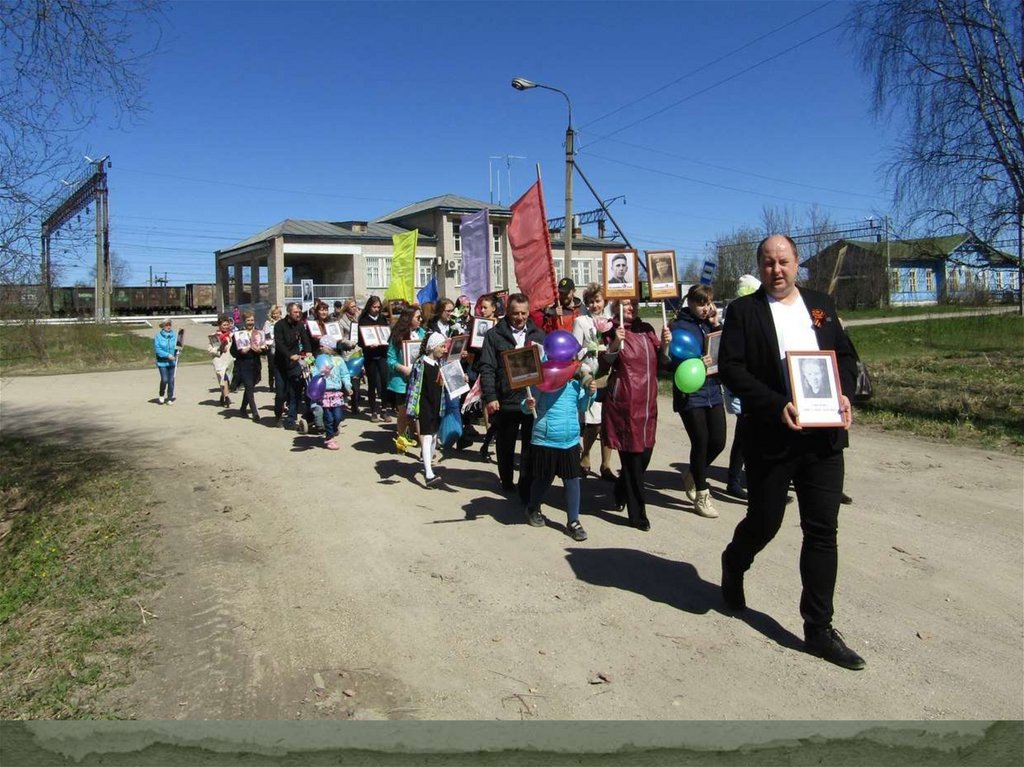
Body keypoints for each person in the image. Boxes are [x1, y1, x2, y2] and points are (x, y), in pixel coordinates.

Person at [718, 234, 863, 671]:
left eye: (783, 261)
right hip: (772, 436)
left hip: (823, 438)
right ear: (759, 266)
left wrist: (844, 393)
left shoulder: (820, 304)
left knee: (822, 531)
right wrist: (775, 404)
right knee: (765, 522)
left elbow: (846, 357)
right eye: (768, 263)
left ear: (797, 263)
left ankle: (819, 629)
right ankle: (734, 561)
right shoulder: (744, 311)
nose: (776, 270)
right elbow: (732, 369)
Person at [601, 297, 671, 531]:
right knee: (632, 459)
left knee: (644, 455)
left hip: (648, 402)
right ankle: (638, 514)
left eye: (633, 303)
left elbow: (662, 362)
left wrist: (665, 344)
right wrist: (615, 343)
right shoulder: (612, 330)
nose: (630, 307)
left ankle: (622, 488)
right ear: (615, 307)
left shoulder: (646, 329)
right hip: (625, 403)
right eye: (625, 303)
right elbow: (604, 364)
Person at [478, 293, 546, 505]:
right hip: (506, 398)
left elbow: (546, 365)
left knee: (530, 445)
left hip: (531, 398)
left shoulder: (538, 334)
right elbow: (487, 367)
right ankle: (506, 480)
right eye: (515, 313)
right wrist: (491, 396)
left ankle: (525, 483)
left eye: (524, 313)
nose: (520, 317)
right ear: (507, 312)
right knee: (505, 444)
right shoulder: (494, 335)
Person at [665, 285, 725, 519]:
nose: (706, 308)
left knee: (718, 441)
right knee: (701, 441)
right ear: (689, 302)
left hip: (713, 387)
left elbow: (724, 349)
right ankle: (701, 494)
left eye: (709, 302)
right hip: (690, 390)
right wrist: (697, 360)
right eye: (701, 303)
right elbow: (670, 361)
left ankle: (693, 472)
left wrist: (717, 324)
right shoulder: (678, 326)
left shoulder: (710, 323)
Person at [522, 371, 597, 539]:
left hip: (569, 440)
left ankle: (573, 521)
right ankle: (532, 508)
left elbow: (583, 407)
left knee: (572, 480)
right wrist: (528, 404)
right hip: (546, 439)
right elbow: (527, 405)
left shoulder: (575, 381)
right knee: (543, 479)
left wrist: (590, 394)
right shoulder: (543, 375)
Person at [572, 283, 616, 480]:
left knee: (608, 423)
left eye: (597, 301)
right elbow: (574, 352)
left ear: (604, 301)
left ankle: (606, 465)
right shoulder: (581, 321)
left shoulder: (612, 322)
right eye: (590, 302)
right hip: (590, 375)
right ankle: (586, 455)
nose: (594, 305)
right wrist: (588, 349)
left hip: (609, 375)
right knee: (594, 423)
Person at [387, 305, 426, 452]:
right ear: (409, 318)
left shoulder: (423, 333)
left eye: (421, 317)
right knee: (403, 413)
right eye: (418, 317)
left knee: (418, 412)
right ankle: (402, 441)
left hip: (418, 379)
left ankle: (423, 445)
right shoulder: (397, 335)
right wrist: (403, 368)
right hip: (402, 381)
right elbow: (390, 360)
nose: (421, 319)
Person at [273, 302, 314, 431]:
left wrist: (308, 352)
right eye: (296, 312)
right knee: (281, 393)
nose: (298, 314)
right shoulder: (279, 325)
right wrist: (289, 355)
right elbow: (279, 344)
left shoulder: (300, 325)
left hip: (295, 364)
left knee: (295, 392)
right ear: (289, 312)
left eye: (299, 312)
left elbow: (305, 340)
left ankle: (291, 419)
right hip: (280, 364)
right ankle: (278, 415)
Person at [415, 332, 448, 485]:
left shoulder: (438, 365)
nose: (444, 349)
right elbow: (414, 386)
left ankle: (428, 463)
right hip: (425, 405)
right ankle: (428, 474)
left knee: (433, 436)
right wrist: (413, 409)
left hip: (436, 406)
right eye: (442, 346)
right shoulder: (421, 364)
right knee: (427, 436)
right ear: (433, 347)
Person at [357, 296, 391, 423]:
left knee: (384, 382)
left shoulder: (382, 319)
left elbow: (387, 336)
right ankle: (373, 411)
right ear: (369, 307)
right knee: (372, 383)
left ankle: (384, 410)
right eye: (374, 307)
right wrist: (368, 344)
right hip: (370, 356)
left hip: (382, 354)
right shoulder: (364, 320)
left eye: (378, 307)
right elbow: (360, 341)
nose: (376, 309)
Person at [317, 338, 353, 450]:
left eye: (322, 346)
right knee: (328, 417)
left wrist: (348, 386)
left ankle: (333, 429)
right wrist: (321, 373)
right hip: (325, 392)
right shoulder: (320, 359)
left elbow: (345, 374)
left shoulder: (339, 360)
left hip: (336, 392)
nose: (320, 348)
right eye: (320, 346)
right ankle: (330, 438)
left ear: (329, 347)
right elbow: (315, 374)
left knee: (338, 416)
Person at [230, 311, 265, 423]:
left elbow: (264, 349)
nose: (250, 322)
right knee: (249, 387)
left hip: (255, 364)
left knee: (250, 387)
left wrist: (261, 350)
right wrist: (241, 351)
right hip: (243, 364)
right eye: (248, 320)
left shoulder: (258, 333)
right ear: (244, 321)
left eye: (252, 320)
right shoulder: (238, 334)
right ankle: (255, 413)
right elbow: (233, 352)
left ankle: (243, 408)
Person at [208, 314, 234, 408]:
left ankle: (223, 395)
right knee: (223, 378)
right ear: (219, 325)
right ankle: (227, 398)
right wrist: (219, 349)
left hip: (229, 360)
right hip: (219, 360)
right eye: (224, 325)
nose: (226, 327)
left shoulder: (231, 335)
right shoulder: (214, 336)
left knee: (228, 380)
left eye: (227, 325)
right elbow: (210, 349)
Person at [153, 318, 178, 405]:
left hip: (172, 362)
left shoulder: (174, 335)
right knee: (164, 380)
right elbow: (158, 350)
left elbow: (177, 346)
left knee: (171, 380)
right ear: (163, 326)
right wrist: (167, 355)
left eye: (169, 324)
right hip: (162, 362)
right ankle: (161, 394)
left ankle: (169, 398)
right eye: (166, 325)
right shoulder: (158, 336)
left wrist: (178, 351)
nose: (168, 326)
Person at [263, 305, 282, 395]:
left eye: (277, 313)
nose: (275, 315)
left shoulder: (282, 322)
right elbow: (265, 334)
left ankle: (279, 384)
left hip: (280, 346)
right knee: (271, 366)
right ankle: (271, 384)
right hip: (270, 345)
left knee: (279, 365)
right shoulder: (267, 323)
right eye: (274, 314)